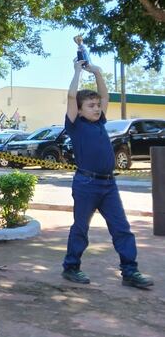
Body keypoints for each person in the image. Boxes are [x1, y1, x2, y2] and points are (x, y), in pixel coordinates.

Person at [61, 60, 153, 289]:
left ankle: (130, 271)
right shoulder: (75, 124)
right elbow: (72, 96)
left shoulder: (100, 122)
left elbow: (105, 96)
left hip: (108, 185)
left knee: (121, 228)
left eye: (97, 105)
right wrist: (77, 72)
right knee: (80, 228)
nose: (96, 108)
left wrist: (98, 73)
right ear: (80, 110)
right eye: (90, 105)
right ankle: (71, 267)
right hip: (86, 183)